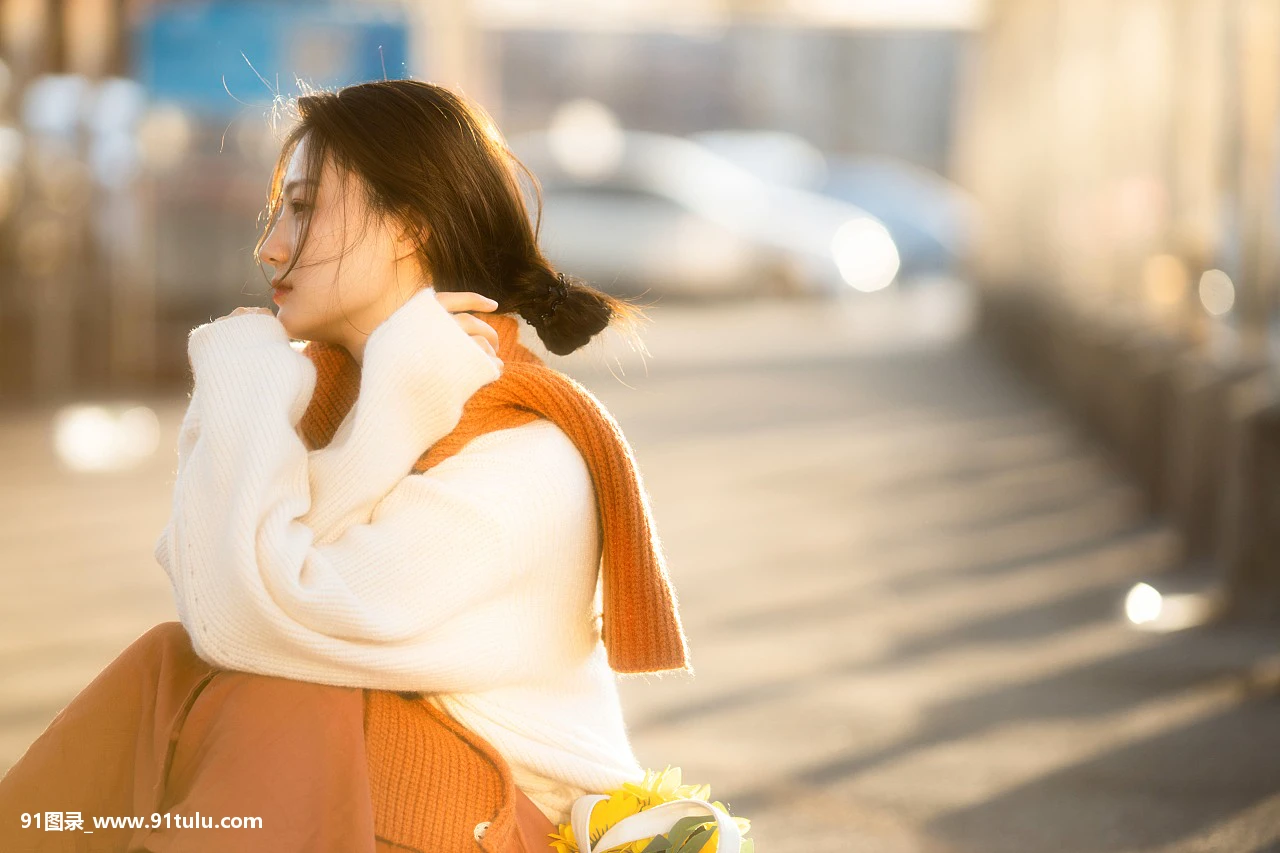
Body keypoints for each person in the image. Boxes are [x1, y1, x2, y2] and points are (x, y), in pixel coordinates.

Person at [0, 79, 692, 852]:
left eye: (301, 209)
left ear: (409, 226)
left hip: (500, 818)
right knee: (175, 665)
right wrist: (389, 412)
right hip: (391, 796)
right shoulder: (347, 399)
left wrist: (250, 380)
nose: (269, 246)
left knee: (278, 692)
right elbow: (213, 592)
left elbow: (243, 615)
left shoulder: (520, 458)